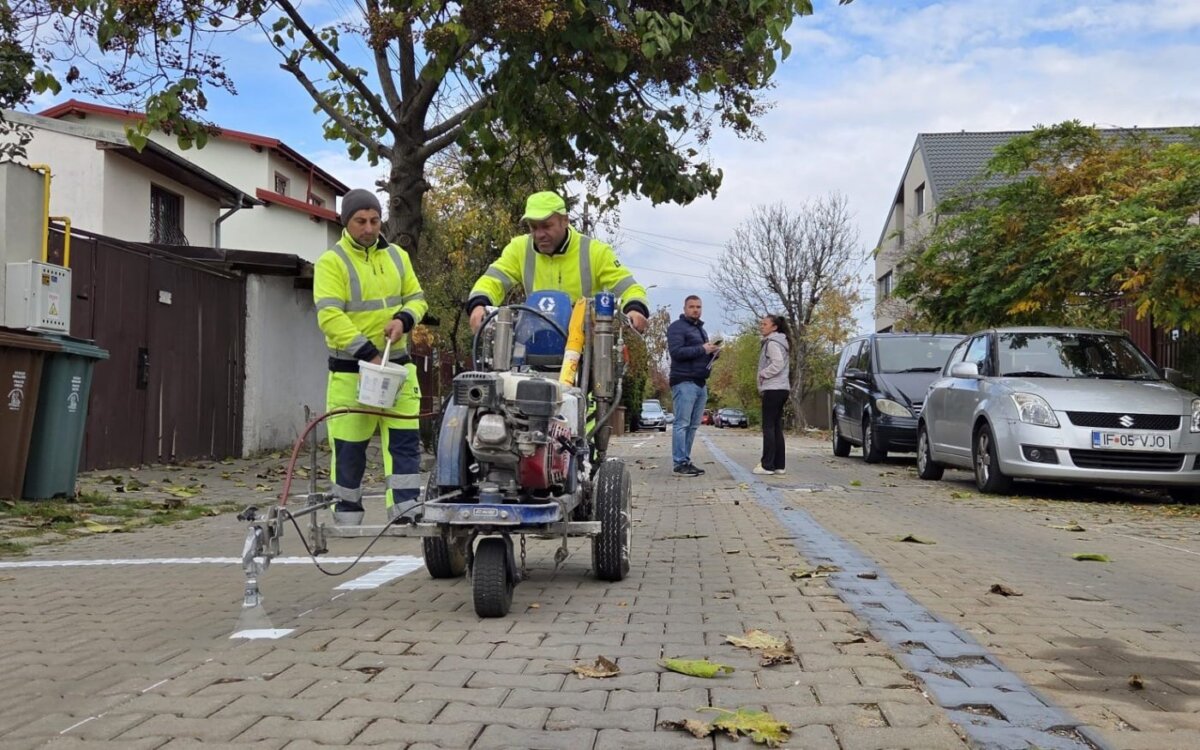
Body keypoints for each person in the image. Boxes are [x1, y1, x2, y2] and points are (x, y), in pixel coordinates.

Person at [313, 188, 428, 525]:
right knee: (349, 448)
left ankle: (405, 511)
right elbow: (330, 317)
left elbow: (418, 299)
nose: (368, 228)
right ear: (345, 222)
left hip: (399, 368)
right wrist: (367, 353)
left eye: (375, 220)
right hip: (351, 373)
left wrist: (404, 319)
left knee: (405, 444)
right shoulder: (331, 262)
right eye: (360, 221)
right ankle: (347, 516)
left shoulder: (397, 257)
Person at [466, 191, 650, 333]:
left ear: (565, 221)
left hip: (586, 350)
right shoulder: (519, 249)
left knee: (602, 382)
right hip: (533, 341)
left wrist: (634, 309)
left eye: (546, 226)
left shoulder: (595, 252)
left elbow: (629, 288)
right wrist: (478, 305)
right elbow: (492, 280)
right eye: (533, 227)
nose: (539, 234)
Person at [667, 295, 719, 476]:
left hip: (700, 382)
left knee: (693, 425)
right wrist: (703, 349)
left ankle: (686, 460)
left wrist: (713, 353)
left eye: (698, 307)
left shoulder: (701, 330)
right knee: (682, 423)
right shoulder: (677, 328)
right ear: (684, 308)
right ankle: (679, 463)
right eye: (692, 307)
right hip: (684, 381)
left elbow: (700, 354)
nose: (695, 310)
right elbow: (676, 352)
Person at [754, 314, 791, 476]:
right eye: (761, 323)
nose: (761, 326)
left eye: (765, 324)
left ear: (774, 327)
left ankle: (767, 465)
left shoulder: (772, 343)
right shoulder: (781, 342)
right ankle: (779, 465)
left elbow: (777, 364)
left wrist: (763, 374)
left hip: (773, 388)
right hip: (782, 388)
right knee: (776, 427)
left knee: (768, 426)